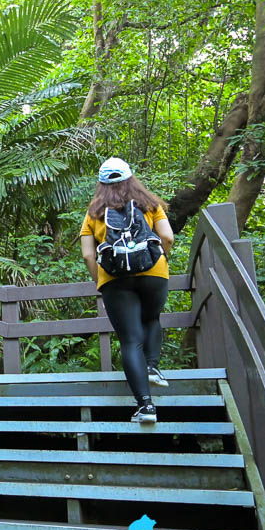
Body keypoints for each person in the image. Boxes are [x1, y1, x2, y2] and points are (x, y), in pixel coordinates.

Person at [80, 157, 175, 423]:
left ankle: (145, 407)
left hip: (114, 278)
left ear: (100, 184)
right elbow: (167, 237)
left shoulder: (94, 212)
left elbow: (89, 256)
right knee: (151, 318)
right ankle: (152, 367)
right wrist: (159, 259)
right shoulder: (150, 204)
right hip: (153, 273)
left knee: (130, 340)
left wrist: (101, 280)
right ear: (131, 178)